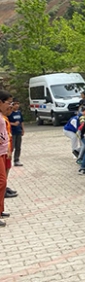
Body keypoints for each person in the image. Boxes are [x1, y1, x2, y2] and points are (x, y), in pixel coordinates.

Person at [0, 91, 13, 227]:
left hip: (2, 152)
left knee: (3, 182)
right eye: (7, 103)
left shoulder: (2, 116)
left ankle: (0, 209)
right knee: (1, 182)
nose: (9, 106)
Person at [9, 101, 24, 167]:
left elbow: (22, 121)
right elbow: (7, 122)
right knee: (12, 147)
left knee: (18, 147)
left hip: (18, 131)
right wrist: (13, 124)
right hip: (12, 132)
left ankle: (16, 160)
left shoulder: (19, 112)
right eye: (15, 104)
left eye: (18, 104)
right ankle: (9, 160)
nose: (17, 105)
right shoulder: (9, 113)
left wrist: (22, 129)